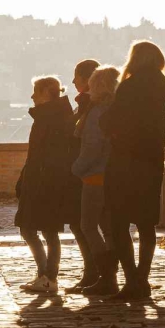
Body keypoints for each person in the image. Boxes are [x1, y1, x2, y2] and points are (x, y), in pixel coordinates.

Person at [102, 40, 165, 301]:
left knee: (119, 223)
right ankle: (143, 278)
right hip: (150, 164)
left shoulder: (129, 87)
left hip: (125, 163)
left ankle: (132, 280)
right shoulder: (159, 90)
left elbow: (111, 121)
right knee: (145, 224)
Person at [15, 76, 76, 295]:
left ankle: (48, 276)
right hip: (39, 179)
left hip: (46, 181)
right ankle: (45, 275)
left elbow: (49, 155)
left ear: (47, 93)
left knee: (42, 229)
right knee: (35, 229)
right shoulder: (50, 116)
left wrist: (34, 178)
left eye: (36, 91)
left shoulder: (53, 118)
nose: (32, 96)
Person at [71, 65, 119, 297]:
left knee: (88, 226)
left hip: (94, 177)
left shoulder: (97, 112)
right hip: (112, 176)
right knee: (109, 229)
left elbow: (91, 147)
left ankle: (106, 275)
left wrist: (76, 169)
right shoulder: (116, 109)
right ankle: (111, 277)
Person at [65, 59, 101, 292]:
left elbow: (89, 142)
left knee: (85, 225)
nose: (73, 81)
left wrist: (76, 167)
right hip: (84, 171)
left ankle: (95, 272)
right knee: (82, 225)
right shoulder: (85, 103)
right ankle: (94, 271)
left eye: (76, 76)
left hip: (87, 173)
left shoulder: (90, 104)